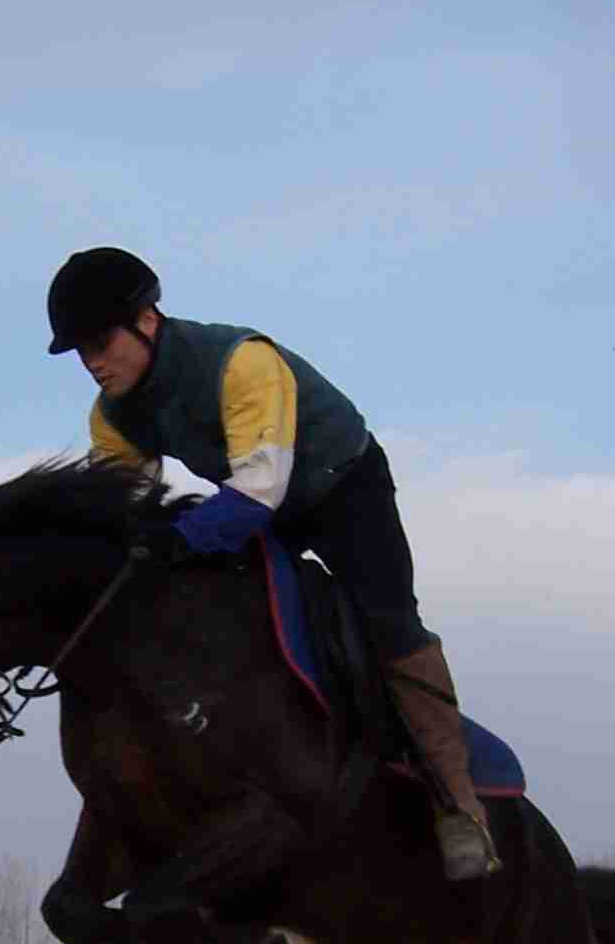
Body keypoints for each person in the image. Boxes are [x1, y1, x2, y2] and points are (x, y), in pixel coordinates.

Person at [46, 244, 499, 880]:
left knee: (389, 625)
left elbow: (260, 489)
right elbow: (122, 509)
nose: (92, 364)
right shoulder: (114, 414)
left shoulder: (240, 362)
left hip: (344, 489)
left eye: (99, 344)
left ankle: (459, 805)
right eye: (80, 353)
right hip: (269, 503)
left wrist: (179, 537)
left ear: (146, 321)